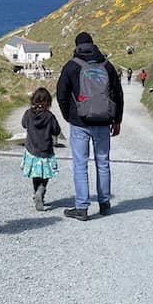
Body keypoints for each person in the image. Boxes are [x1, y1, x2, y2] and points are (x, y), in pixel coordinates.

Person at [56, 31, 124, 221]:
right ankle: (104, 202)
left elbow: (61, 93)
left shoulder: (71, 66)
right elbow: (118, 94)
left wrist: (68, 116)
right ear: (93, 45)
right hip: (104, 121)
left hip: (79, 122)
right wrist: (117, 120)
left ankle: (82, 207)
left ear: (76, 46)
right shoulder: (107, 65)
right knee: (103, 162)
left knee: (80, 164)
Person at [21, 87, 61, 211]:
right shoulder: (49, 116)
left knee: (36, 175)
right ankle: (40, 192)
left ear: (33, 100)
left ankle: (36, 193)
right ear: (48, 102)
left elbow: (23, 124)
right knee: (45, 176)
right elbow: (57, 130)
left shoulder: (28, 113)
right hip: (46, 152)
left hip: (32, 151)